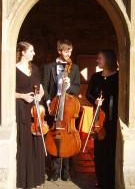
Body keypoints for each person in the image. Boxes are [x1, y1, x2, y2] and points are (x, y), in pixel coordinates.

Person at [42, 39, 80, 181]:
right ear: (59, 51)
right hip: (54, 105)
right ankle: (54, 172)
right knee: (54, 138)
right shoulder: (48, 67)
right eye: (66, 50)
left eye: (70, 50)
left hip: (67, 108)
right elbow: (44, 86)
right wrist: (47, 101)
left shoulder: (74, 68)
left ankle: (66, 172)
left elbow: (77, 87)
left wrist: (69, 86)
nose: (68, 53)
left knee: (67, 139)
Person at [86, 50, 118, 189]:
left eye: (100, 58)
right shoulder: (95, 77)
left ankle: (110, 182)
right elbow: (88, 94)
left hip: (112, 120)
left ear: (108, 60)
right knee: (99, 151)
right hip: (99, 119)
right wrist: (95, 100)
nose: (97, 61)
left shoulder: (118, 77)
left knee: (111, 151)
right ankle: (100, 181)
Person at [15, 41, 45, 188]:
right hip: (21, 109)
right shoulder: (13, 70)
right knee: (24, 142)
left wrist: (40, 96)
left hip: (35, 110)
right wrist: (22, 96)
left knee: (36, 143)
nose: (34, 53)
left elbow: (42, 89)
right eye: (31, 51)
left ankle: (36, 179)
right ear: (23, 52)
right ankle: (24, 180)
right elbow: (6, 92)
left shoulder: (35, 69)